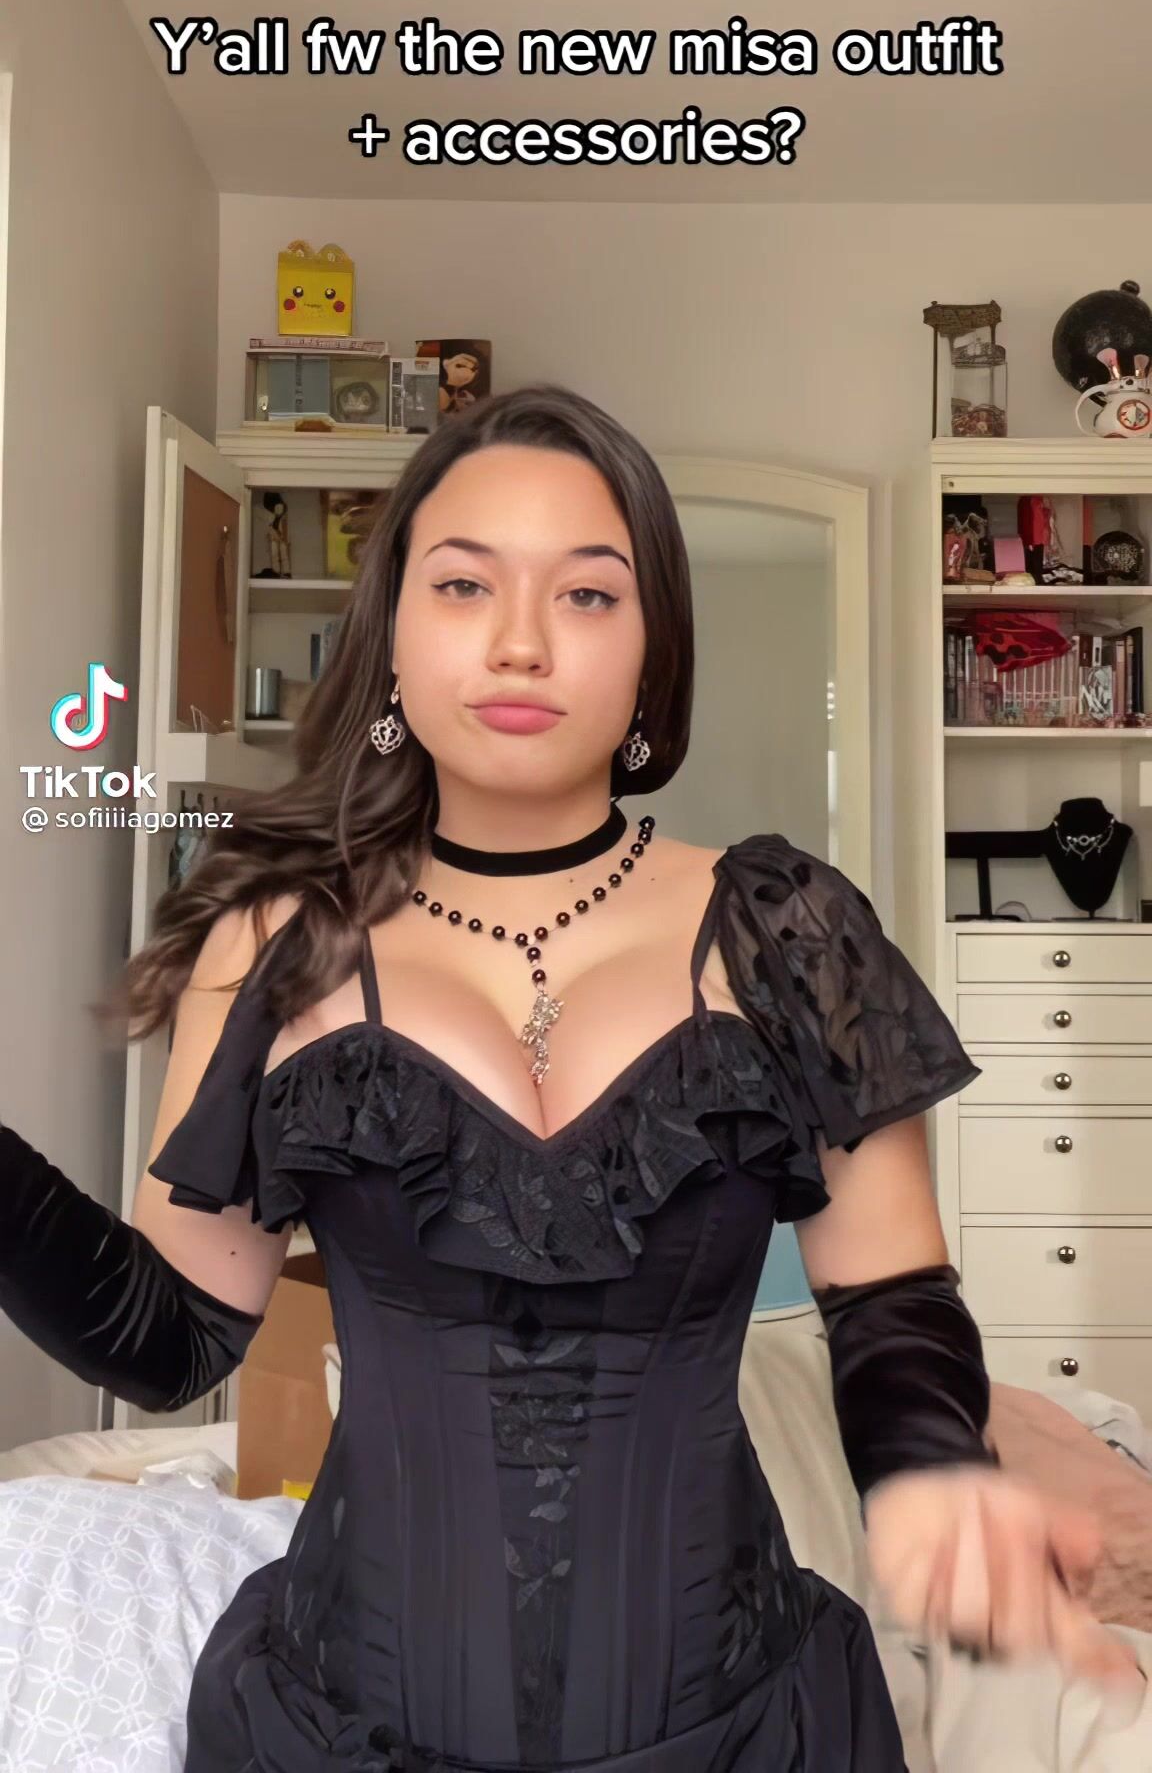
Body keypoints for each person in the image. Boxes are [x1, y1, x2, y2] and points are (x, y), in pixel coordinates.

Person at [0, 385, 1142, 1771]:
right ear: (392, 635)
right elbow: (167, 1335)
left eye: (589, 594)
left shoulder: (786, 928)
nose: (522, 640)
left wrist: (936, 1485)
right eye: (463, 583)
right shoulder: (277, 941)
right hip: (334, 1728)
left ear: (654, 654)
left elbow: (889, 1302)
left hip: (749, 1727)